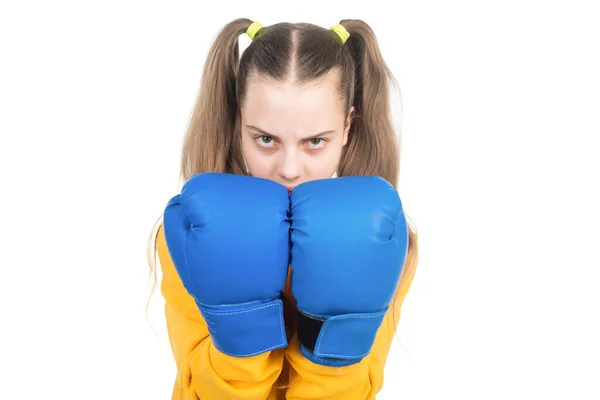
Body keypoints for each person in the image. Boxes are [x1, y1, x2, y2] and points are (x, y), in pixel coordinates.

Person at [147, 18, 419, 400]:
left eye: (315, 141)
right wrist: (241, 334)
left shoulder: (384, 237)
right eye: (265, 139)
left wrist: (331, 351)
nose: (290, 169)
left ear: (347, 129)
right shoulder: (189, 233)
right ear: (237, 125)